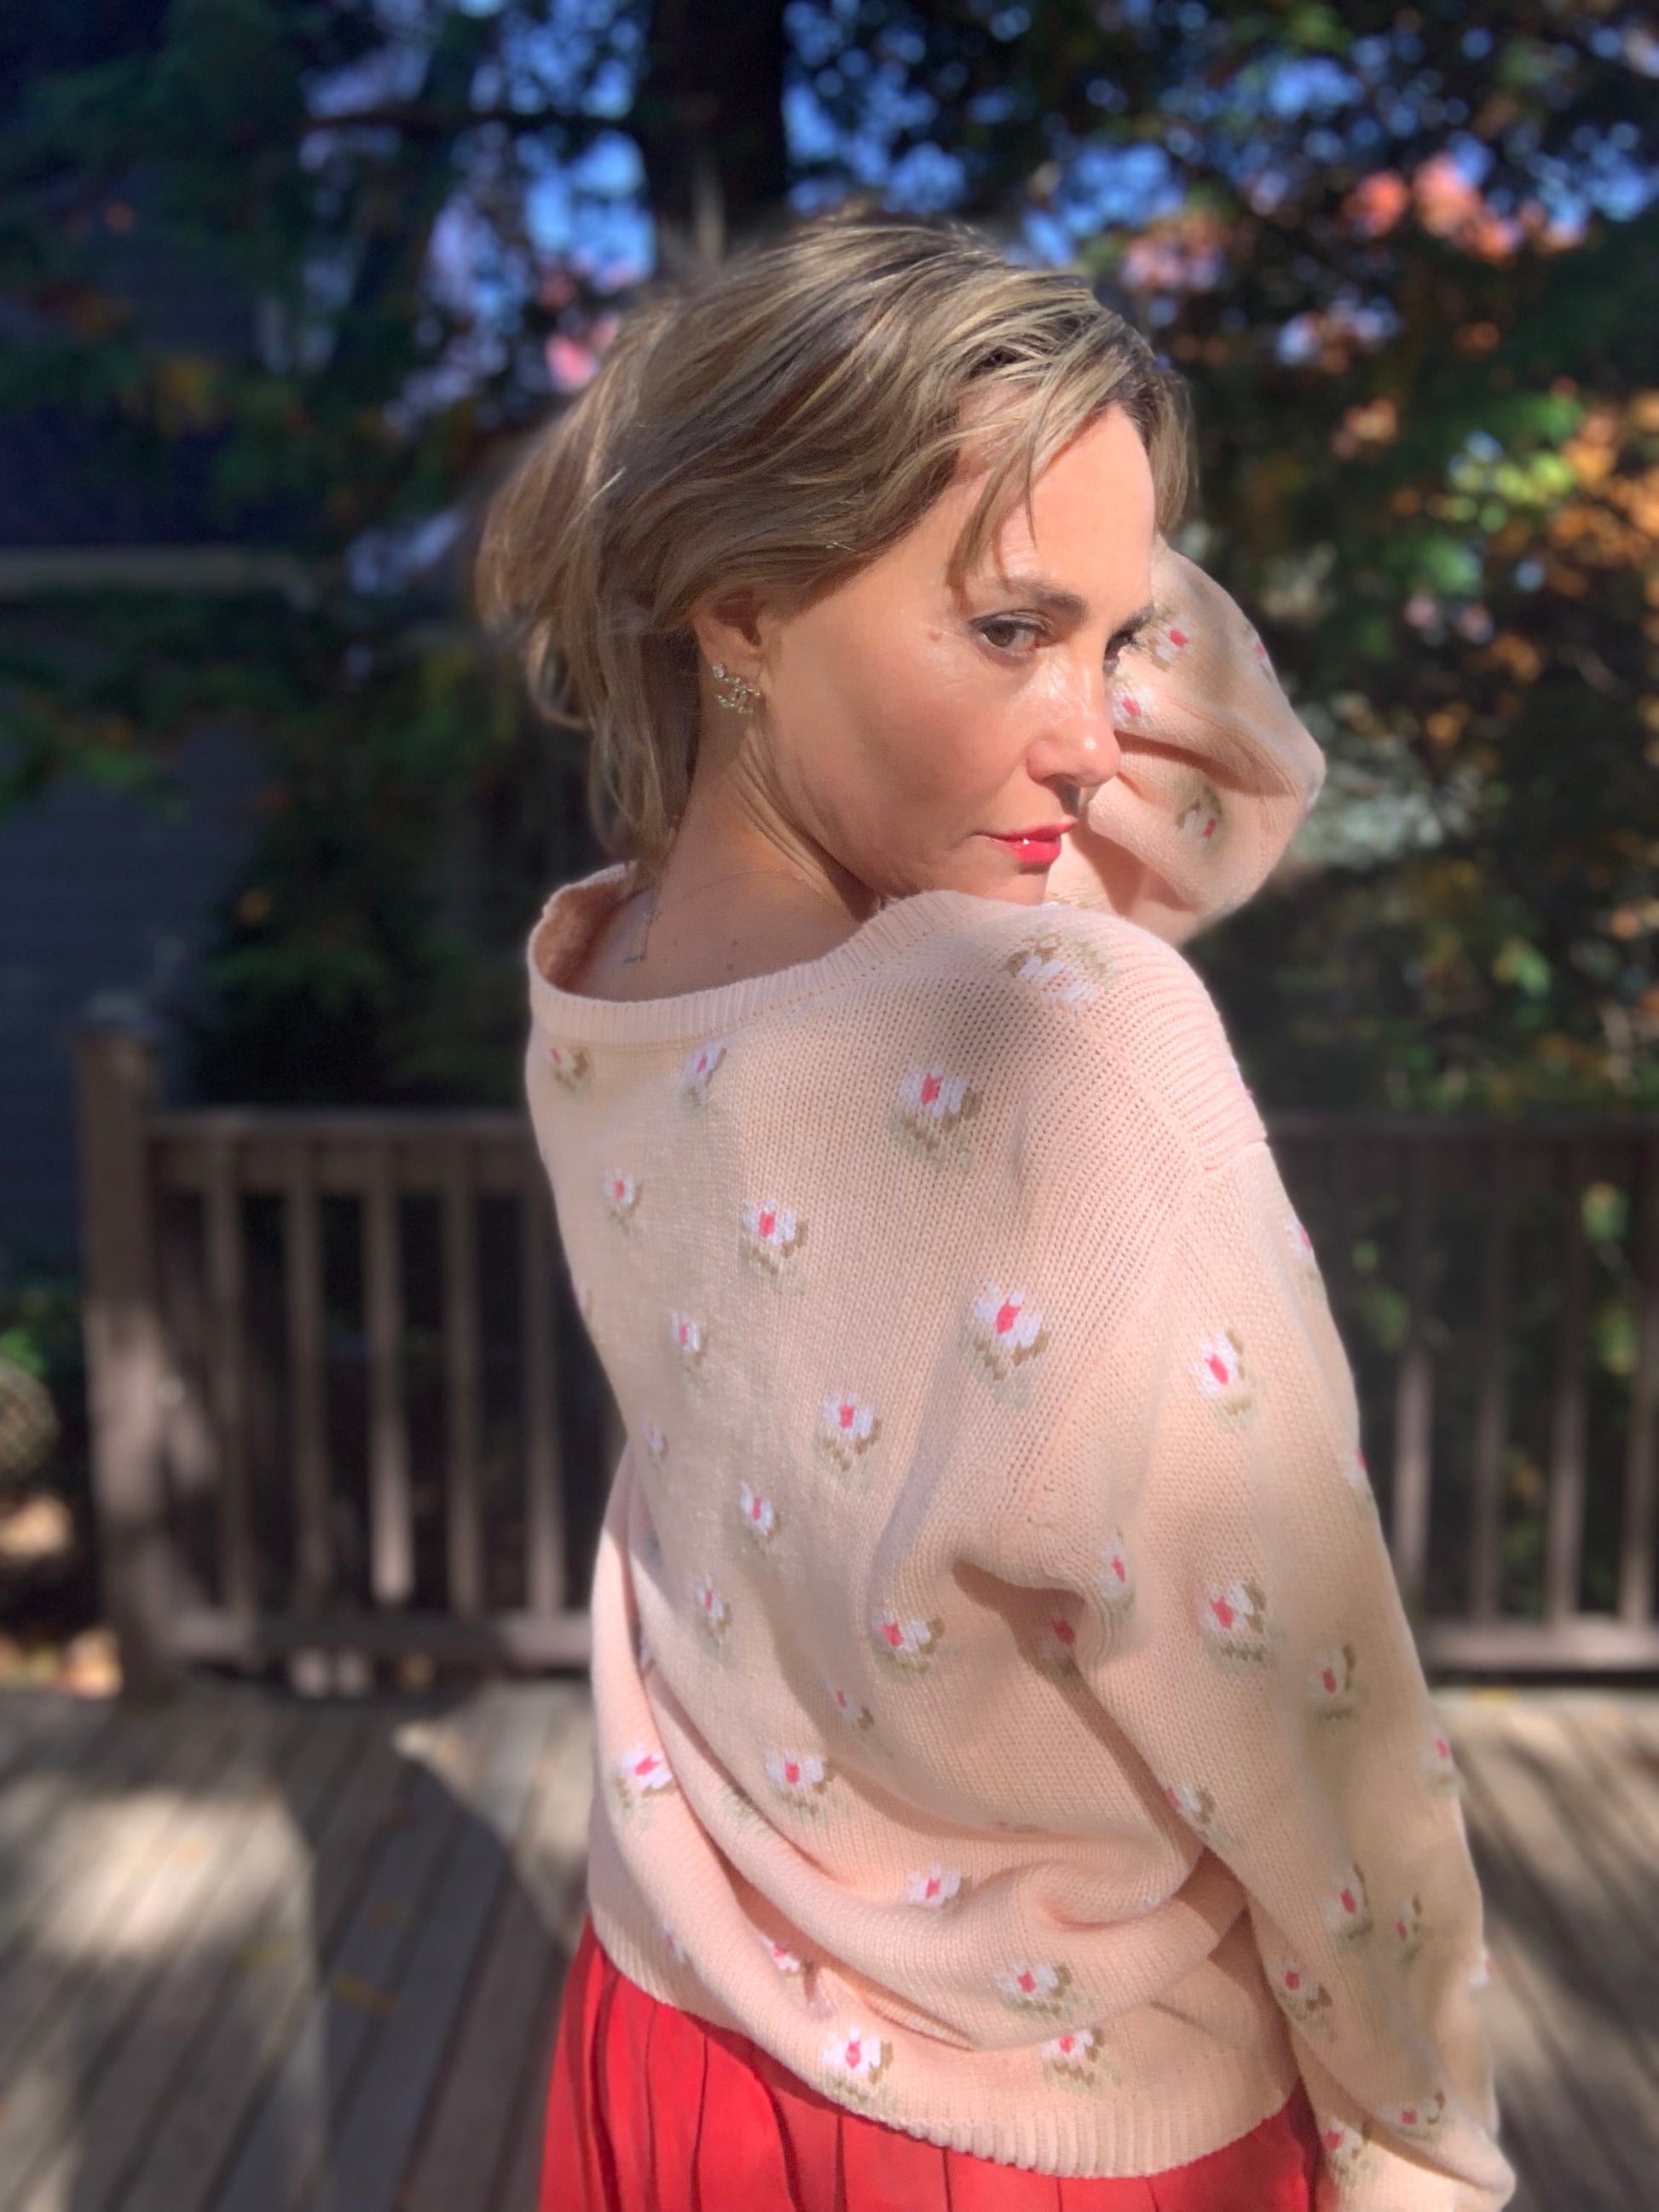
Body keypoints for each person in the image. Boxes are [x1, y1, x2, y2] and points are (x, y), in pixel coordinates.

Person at [477, 211, 1516, 2212]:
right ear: (737, 610)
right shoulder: (1063, 1031)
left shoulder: (604, 979)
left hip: (671, 2038)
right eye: (1014, 628)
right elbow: (1301, 1687)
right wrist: (1426, 2126)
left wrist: (1037, 538)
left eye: (1120, 637)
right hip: (1049, 2126)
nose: (1099, 735)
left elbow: (1194, 783)